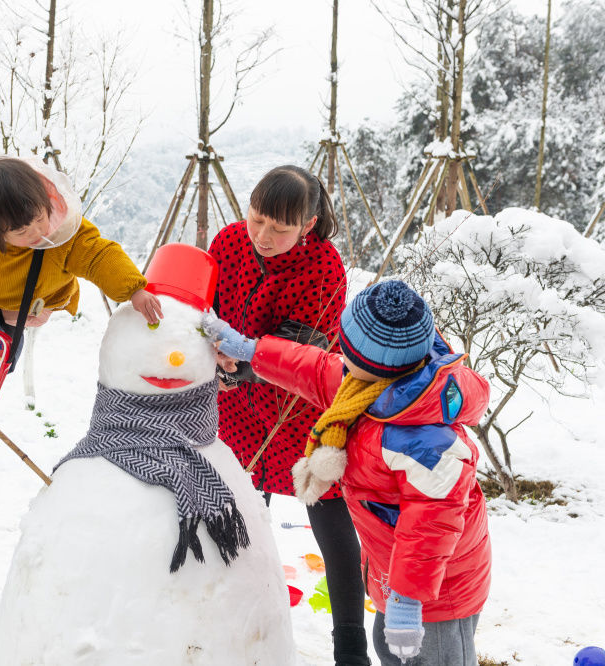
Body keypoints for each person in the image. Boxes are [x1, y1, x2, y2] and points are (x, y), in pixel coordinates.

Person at [204, 280, 493, 666]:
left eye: (347, 349)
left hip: (437, 593)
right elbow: (312, 366)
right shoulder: (367, 388)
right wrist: (250, 350)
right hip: (394, 573)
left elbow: (431, 528)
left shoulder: (424, 442)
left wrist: (407, 601)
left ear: (374, 364)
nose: (339, 354)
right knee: (390, 650)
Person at [0, 154, 161, 471]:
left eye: (39, 217)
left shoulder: (63, 232)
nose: (36, 231)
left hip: (31, 305)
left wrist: (134, 288)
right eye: (20, 230)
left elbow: (98, 255)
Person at [207, 165, 370, 665]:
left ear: (309, 224)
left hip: (299, 406)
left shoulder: (324, 267)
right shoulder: (230, 243)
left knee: (328, 510)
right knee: (234, 507)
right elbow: (203, 305)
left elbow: (307, 348)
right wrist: (208, 346)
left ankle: (350, 646)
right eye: (257, 220)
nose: (264, 237)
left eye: (280, 228)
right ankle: (229, 626)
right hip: (234, 406)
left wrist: (241, 363)